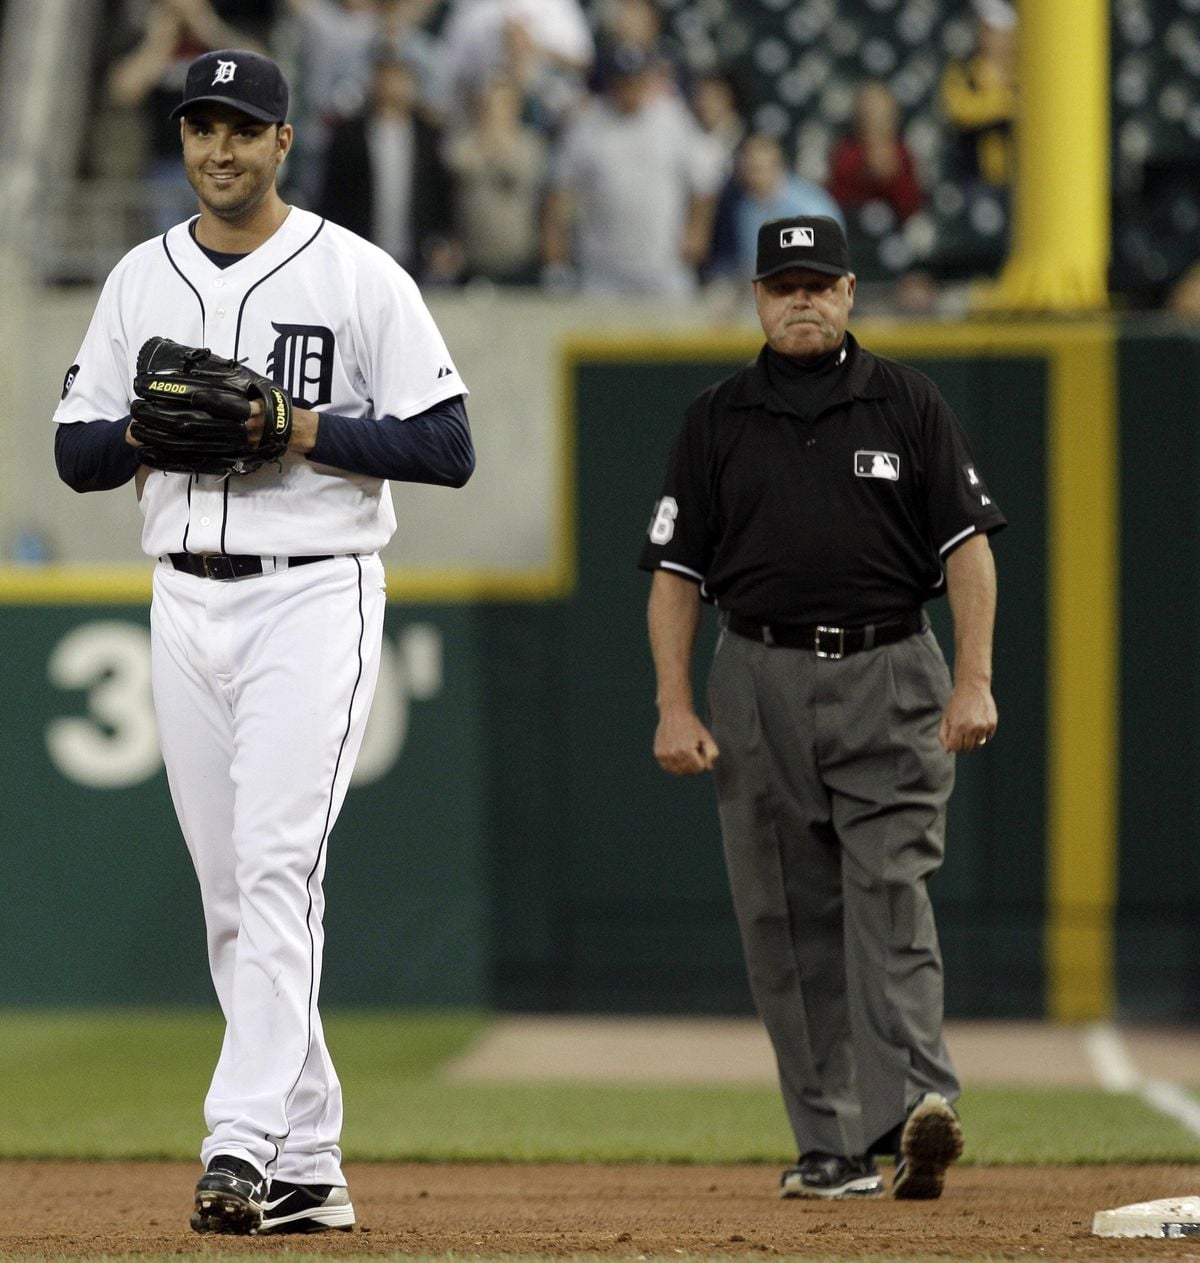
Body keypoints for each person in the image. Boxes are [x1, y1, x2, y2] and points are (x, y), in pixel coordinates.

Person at [53, 48, 474, 1235]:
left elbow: (448, 445)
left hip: (313, 592)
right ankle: (309, 1163)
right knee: (236, 893)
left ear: (285, 142)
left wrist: (296, 427)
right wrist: (148, 435)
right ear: (183, 141)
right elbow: (73, 454)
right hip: (182, 599)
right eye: (201, 129)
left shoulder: (356, 273)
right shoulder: (140, 279)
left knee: (280, 865)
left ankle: (237, 1145)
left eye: (242, 130)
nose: (219, 150)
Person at [639, 215, 1004, 1201]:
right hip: (755, 674)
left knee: (890, 890)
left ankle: (918, 1108)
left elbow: (968, 549)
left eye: (818, 282)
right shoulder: (717, 416)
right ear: (757, 298)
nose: (801, 298)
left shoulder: (909, 402)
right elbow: (675, 573)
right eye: (782, 284)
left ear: (849, 294)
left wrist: (972, 679)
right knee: (785, 919)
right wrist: (674, 704)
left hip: (892, 669)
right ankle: (833, 1144)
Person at [540, 42, 722, 296]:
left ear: (647, 80)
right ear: (611, 83)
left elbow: (705, 181)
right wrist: (556, 251)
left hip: (665, 266)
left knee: (673, 334)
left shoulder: (672, 118)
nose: (630, 89)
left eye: (636, 81)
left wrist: (697, 232)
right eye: (623, 82)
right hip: (602, 269)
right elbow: (559, 189)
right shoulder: (587, 124)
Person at [317, 47, 458, 281]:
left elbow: (440, 192)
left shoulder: (428, 135)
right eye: (385, 77)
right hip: (360, 253)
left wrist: (443, 240)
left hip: (418, 255)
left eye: (400, 78)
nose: (392, 86)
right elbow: (334, 195)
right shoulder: (349, 134)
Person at [706, 132, 844, 284]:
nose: (751, 176)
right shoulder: (745, 208)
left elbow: (827, 264)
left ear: (778, 166)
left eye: (757, 168)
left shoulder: (809, 208)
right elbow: (751, 264)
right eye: (746, 168)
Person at [827, 79, 923, 223]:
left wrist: (892, 177)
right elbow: (834, 201)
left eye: (881, 112)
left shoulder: (903, 154)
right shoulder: (846, 153)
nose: (876, 118)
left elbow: (912, 206)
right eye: (870, 111)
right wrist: (864, 171)